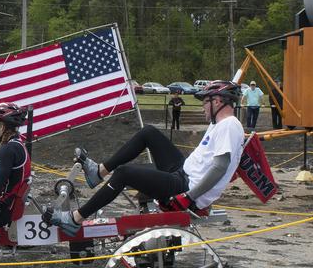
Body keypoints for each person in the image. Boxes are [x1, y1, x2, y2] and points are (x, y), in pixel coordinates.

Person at [46, 80, 245, 235]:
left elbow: (220, 167)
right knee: (148, 132)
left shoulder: (229, 125)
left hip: (185, 187)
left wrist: (189, 197)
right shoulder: (220, 122)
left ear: (217, 101)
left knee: (124, 173)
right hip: (183, 171)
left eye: (205, 102)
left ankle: (75, 219)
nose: (203, 107)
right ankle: (99, 172)